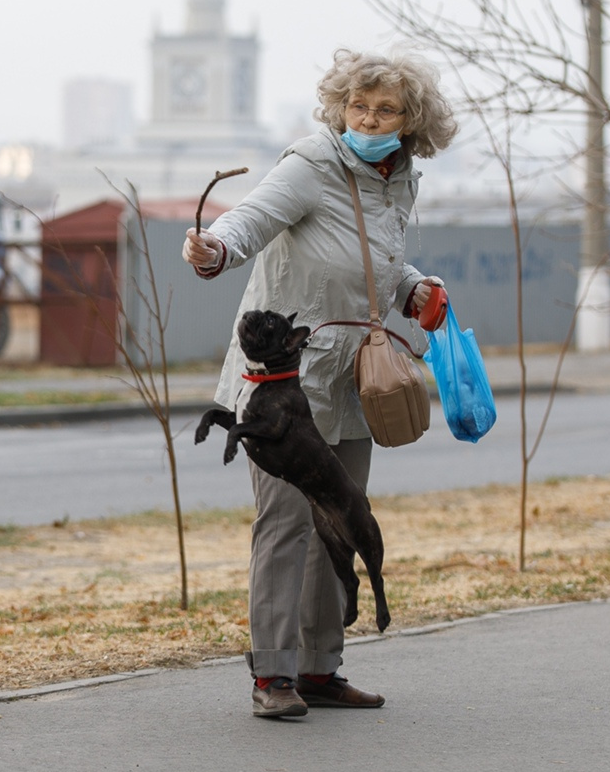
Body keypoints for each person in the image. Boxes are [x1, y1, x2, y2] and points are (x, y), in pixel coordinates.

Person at [182, 48, 458, 718]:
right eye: (357, 107)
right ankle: (271, 674)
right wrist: (215, 248)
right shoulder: (311, 164)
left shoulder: (400, 180)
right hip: (284, 381)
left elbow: (372, 263)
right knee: (285, 523)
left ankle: (319, 667)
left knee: (340, 515)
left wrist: (414, 288)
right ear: (339, 109)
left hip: (356, 373)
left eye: (385, 109)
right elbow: (251, 220)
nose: (368, 118)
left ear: (410, 121)